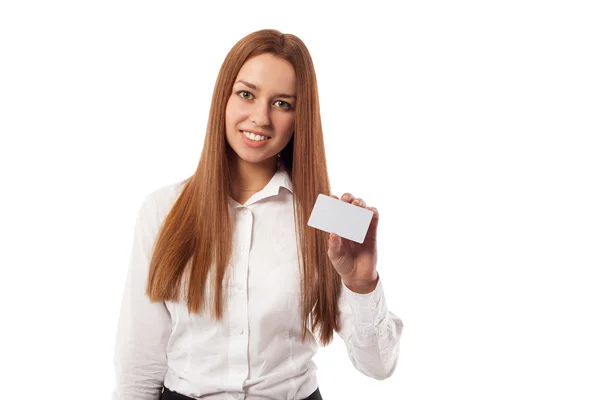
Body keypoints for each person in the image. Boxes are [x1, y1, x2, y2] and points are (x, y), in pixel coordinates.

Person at [111, 29, 403, 400]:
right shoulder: (163, 210)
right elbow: (139, 361)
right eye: (246, 94)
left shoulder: (329, 219)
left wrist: (362, 285)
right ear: (224, 99)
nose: (261, 117)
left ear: (301, 117)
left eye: (283, 103)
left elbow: (380, 366)